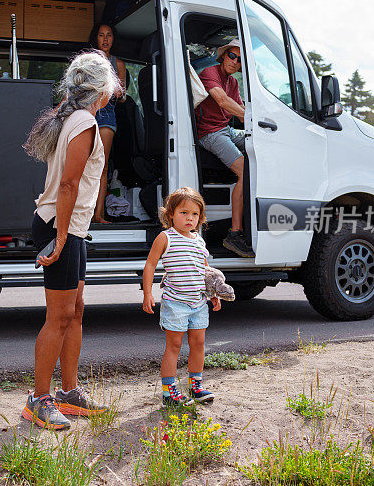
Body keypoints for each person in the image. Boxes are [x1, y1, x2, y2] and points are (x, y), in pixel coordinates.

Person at [21, 50, 121, 430]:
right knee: (59, 316)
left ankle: (68, 392)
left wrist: (69, 234)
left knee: (75, 310)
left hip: (72, 228)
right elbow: (68, 183)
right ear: (104, 92)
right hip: (58, 227)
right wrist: (61, 238)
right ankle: (38, 399)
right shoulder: (84, 124)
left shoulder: (73, 116)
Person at [142, 187, 222, 406]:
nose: (189, 218)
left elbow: (206, 272)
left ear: (200, 217)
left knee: (199, 343)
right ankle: (169, 391)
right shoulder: (165, 237)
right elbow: (150, 264)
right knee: (174, 345)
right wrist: (148, 292)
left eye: (195, 214)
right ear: (170, 215)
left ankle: (195, 385)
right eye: (183, 213)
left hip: (198, 302)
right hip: (175, 302)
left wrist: (213, 293)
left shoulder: (199, 241)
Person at [196, 38, 255, 258]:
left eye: (239, 60)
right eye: (232, 55)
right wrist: (250, 116)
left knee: (260, 142)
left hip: (225, 130)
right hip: (209, 133)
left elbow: (238, 110)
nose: (234, 61)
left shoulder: (234, 83)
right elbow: (222, 101)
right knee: (244, 171)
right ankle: (235, 233)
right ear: (224, 56)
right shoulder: (210, 73)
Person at [88, 23, 127, 224]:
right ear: (95, 38)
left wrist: (118, 93)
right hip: (87, 113)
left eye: (109, 35)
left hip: (107, 115)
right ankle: (82, 213)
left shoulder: (118, 63)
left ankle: (99, 214)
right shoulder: (88, 61)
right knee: (85, 164)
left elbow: (122, 96)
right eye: (101, 35)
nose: (105, 39)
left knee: (101, 166)